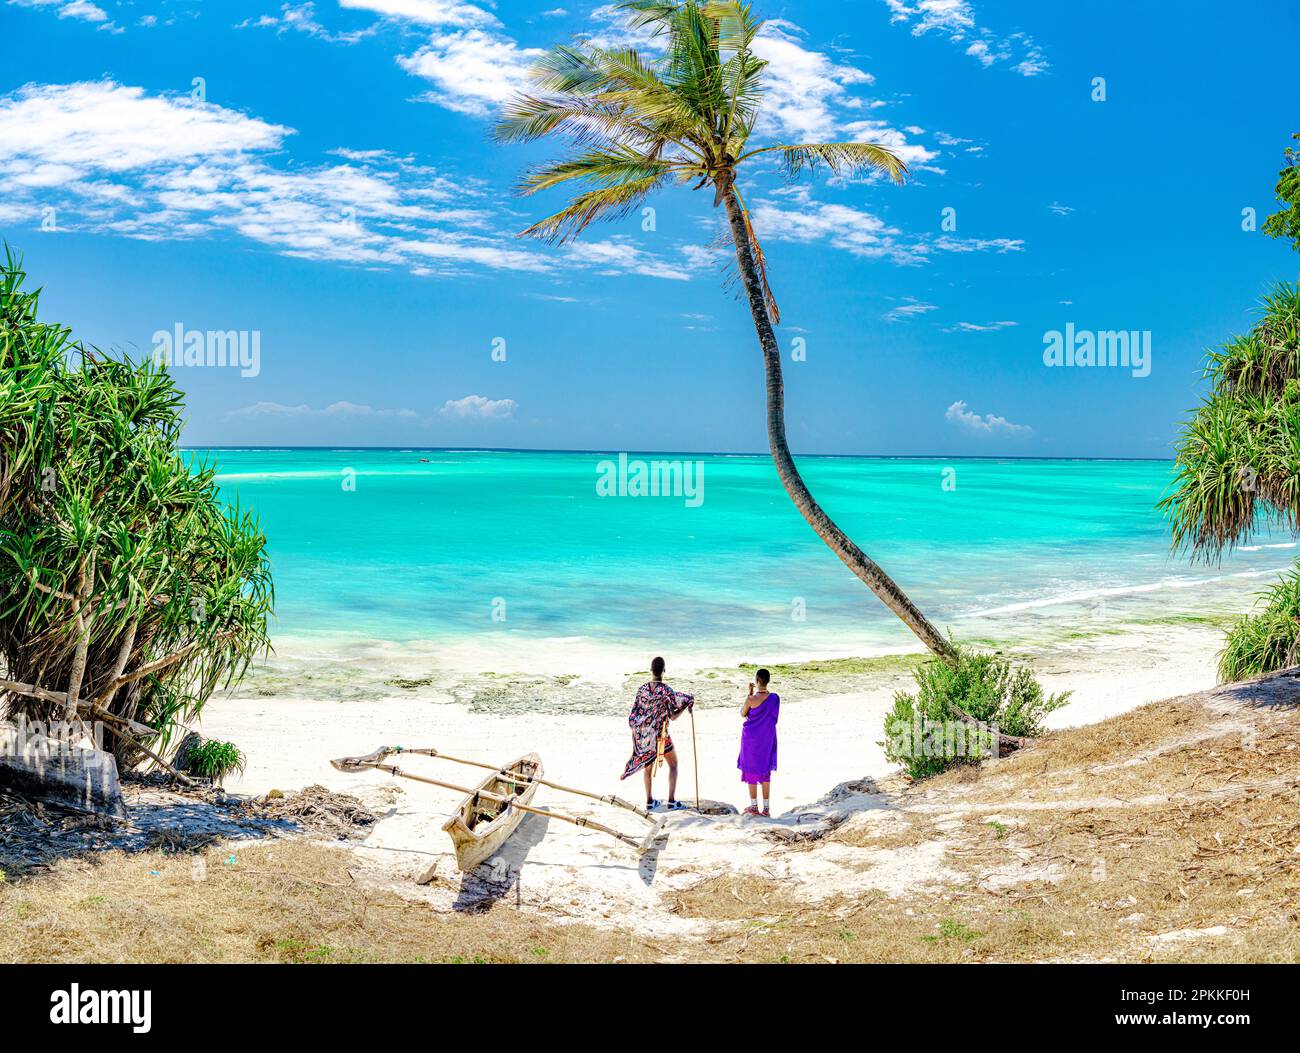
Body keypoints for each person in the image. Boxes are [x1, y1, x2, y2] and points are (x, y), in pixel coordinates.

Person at [621, 656, 694, 811]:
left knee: (648, 768)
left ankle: (649, 801)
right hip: (661, 736)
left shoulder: (642, 689)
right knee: (673, 765)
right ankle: (672, 801)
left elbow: (636, 713)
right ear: (664, 670)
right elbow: (673, 716)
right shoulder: (666, 691)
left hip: (646, 738)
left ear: (650, 670)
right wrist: (685, 705)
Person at [737, 668, 779, 817]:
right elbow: (773, 718)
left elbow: (743, 713)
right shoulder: (775, 698)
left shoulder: (751, 699)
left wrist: (749, 693)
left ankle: (754, 806)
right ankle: (766, 809)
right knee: (765, 770)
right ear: (768, 681)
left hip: (750, 739)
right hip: (766, 738)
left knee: (750, 770)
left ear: (756, 681)